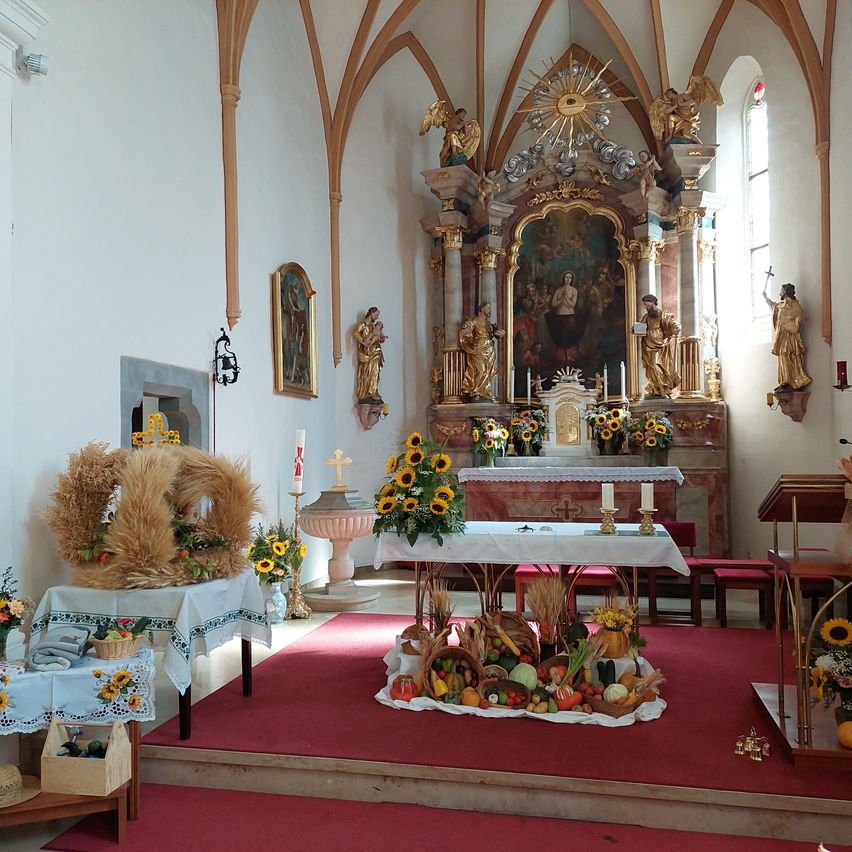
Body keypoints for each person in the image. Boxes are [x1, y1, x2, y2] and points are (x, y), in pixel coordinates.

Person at [763, 283, 812, 392]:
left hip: (790, 337)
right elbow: (773, 306)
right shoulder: (780, 305)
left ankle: (793, 380)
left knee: (791, 356)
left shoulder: (795, 305)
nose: (779, 292)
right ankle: (784, 380)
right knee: (782, 356)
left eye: (781, 290)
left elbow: (798, 317)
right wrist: (766, 298)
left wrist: (799, 321)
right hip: (781, 337)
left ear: (785, 292)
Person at [638, 294, 681, 398]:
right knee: (650, 366)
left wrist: (675, 326)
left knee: (658, 365)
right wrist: (635, 329)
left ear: (652, 302)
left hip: (660, 344)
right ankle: (655, 388)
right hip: (647, 344)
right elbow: (640, 327)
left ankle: (663, 388)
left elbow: (671, 322)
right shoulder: (646, 316)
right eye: (644, 305)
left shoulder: (663, 314)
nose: (645, 307)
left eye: (646, 304)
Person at [459, 302, 504, 400]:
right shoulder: (473, 322)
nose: (490, 311)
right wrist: (467, 332)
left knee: (487, 371)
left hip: (489, 350)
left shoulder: (489, 325)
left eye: (490, 308)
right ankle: (476, 392)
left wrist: (500, 333)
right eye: (488, 308)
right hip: (478, 349)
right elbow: (463, 332)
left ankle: (485, 391)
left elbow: (496, 335)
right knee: (481, 370)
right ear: (482, 309)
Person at [353, 307, 387, 403]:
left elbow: (378, 335)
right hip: (368, 353)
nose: (376, 318)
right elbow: (355, 333)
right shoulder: (363, 325)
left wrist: (381, 338)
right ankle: (370, 391)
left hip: (376, 351)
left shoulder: (373, 326)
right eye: (376, 315)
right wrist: (363, 342)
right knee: (370, 372)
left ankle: (373, 391)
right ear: (371, 314)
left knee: (376, 372)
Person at [548, 271, 579, 356]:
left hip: (570, 315)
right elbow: (553, 304)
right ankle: (561, 354)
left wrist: (566, 298)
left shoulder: (574, 290)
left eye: (570, 278)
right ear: (563, 278)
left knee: (569, 334)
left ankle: (569, 354)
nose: (568, 279)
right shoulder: (558, 290)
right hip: (559, 315)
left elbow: (573, 304)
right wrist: (561, 298)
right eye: (566, 277)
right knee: (560, 334)